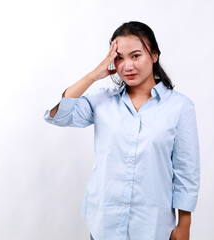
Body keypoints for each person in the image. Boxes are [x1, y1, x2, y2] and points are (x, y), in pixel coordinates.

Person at [44, 21, 200, 240]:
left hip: (152, 228)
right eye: (119, 58)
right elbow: (57, 116)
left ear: (154, 55)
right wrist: (93, 76)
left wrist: (184, 224)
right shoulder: (102, 102)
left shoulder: (180, 107)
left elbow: (186, 171)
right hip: (105, 227)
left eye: (135, 56)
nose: (127, 66)